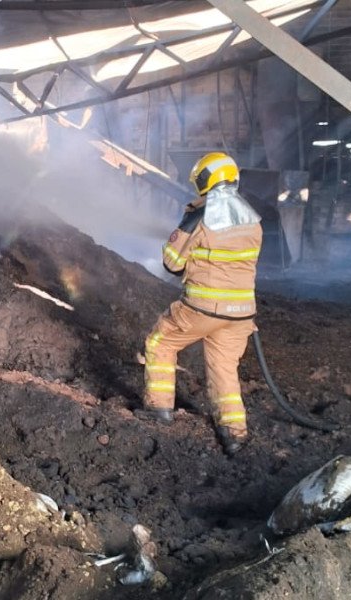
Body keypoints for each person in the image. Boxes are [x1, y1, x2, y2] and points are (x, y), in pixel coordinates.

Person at [143, 152, 262, 456]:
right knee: (224, 368)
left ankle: (159, 411)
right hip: (242, 314)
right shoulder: (252, 218)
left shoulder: (200, 216)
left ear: (205, 180)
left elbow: (172, 263)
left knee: (160, 342)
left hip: (204, 307)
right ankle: (234, 434)